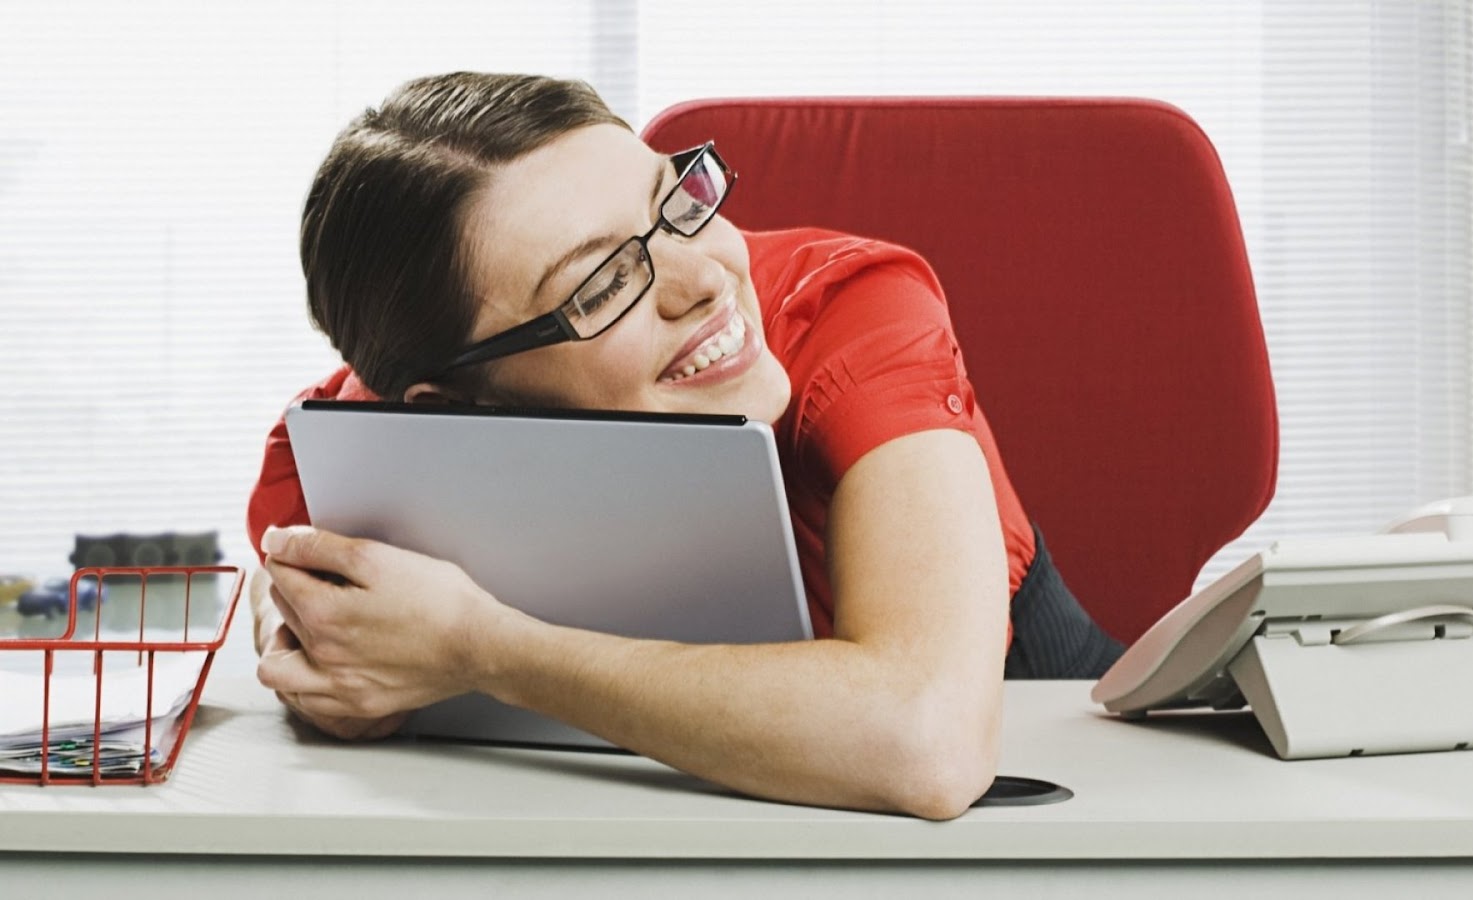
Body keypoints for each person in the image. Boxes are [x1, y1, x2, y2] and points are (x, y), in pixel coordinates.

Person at [248, 72, 1123, 821]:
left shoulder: (854, 308)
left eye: (677, 203)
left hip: (1046, 758)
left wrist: (481, 649)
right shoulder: (368, 433)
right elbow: (294, 602)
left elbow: (925, 742)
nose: (706, 278)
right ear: (455, 405)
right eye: (602, 283)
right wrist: (323, 658)